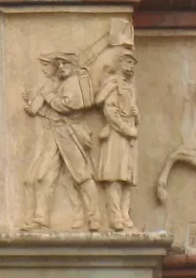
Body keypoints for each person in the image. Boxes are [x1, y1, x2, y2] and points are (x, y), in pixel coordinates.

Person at [23, 52, 103, 230]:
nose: (60, 68)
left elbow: (66, 106)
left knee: (81, 176)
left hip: (70, 134)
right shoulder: (62, 84)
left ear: (73, 66)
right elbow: (55, 113)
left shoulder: (74, 82)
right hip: (57, 132)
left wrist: (48, 96)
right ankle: (41, 217)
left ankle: (94, 217)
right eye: (58, 65)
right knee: (45, 176)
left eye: (65, 64)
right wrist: (36, 105)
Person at [92, 48, 139, 230]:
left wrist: (136, 115)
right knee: (114, 176)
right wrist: (127, 130)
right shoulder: (113, 84)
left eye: (133, 64)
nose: (131, 67)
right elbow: (110, 111)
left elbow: (133, 112)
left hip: (130, 135)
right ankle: (115, 216)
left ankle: (125, 213)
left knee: (128, 177)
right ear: (119, 64)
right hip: (116, 134)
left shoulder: (130, 87)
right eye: (128, 63)